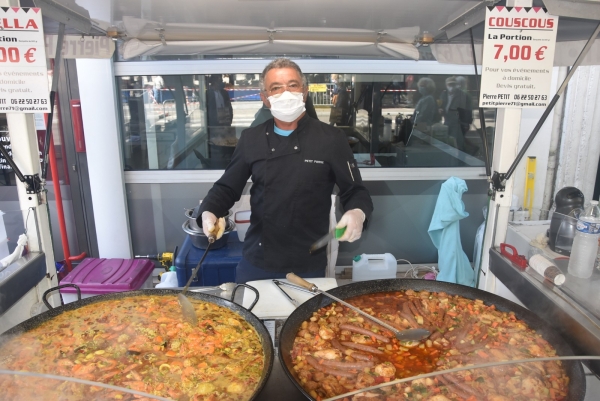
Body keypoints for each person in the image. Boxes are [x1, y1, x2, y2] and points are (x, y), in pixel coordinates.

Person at [199, 58, 374, 283]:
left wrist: (356, 213)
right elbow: (226, 187)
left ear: (305, 92)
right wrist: (209, 211)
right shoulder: (251, 139)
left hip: (308, 261)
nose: (286, 93)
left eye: (292, 85)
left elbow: (355, 192)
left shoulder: (331, 139)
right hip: (258, 259)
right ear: (265, 98)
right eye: (276, 88)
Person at [439, 76, 472, 150]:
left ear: (456, 85)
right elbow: (441, 104)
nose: (451, 87)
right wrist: (440, 109)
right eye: (449, 85)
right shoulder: (444, 94)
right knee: (447, 139)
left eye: (453, 84)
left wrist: (465, 122)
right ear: (446, 85)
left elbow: (464, 109)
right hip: (447, 120)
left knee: (456, 140)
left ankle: (459, 156)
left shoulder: (461, 94)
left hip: (457, 122)